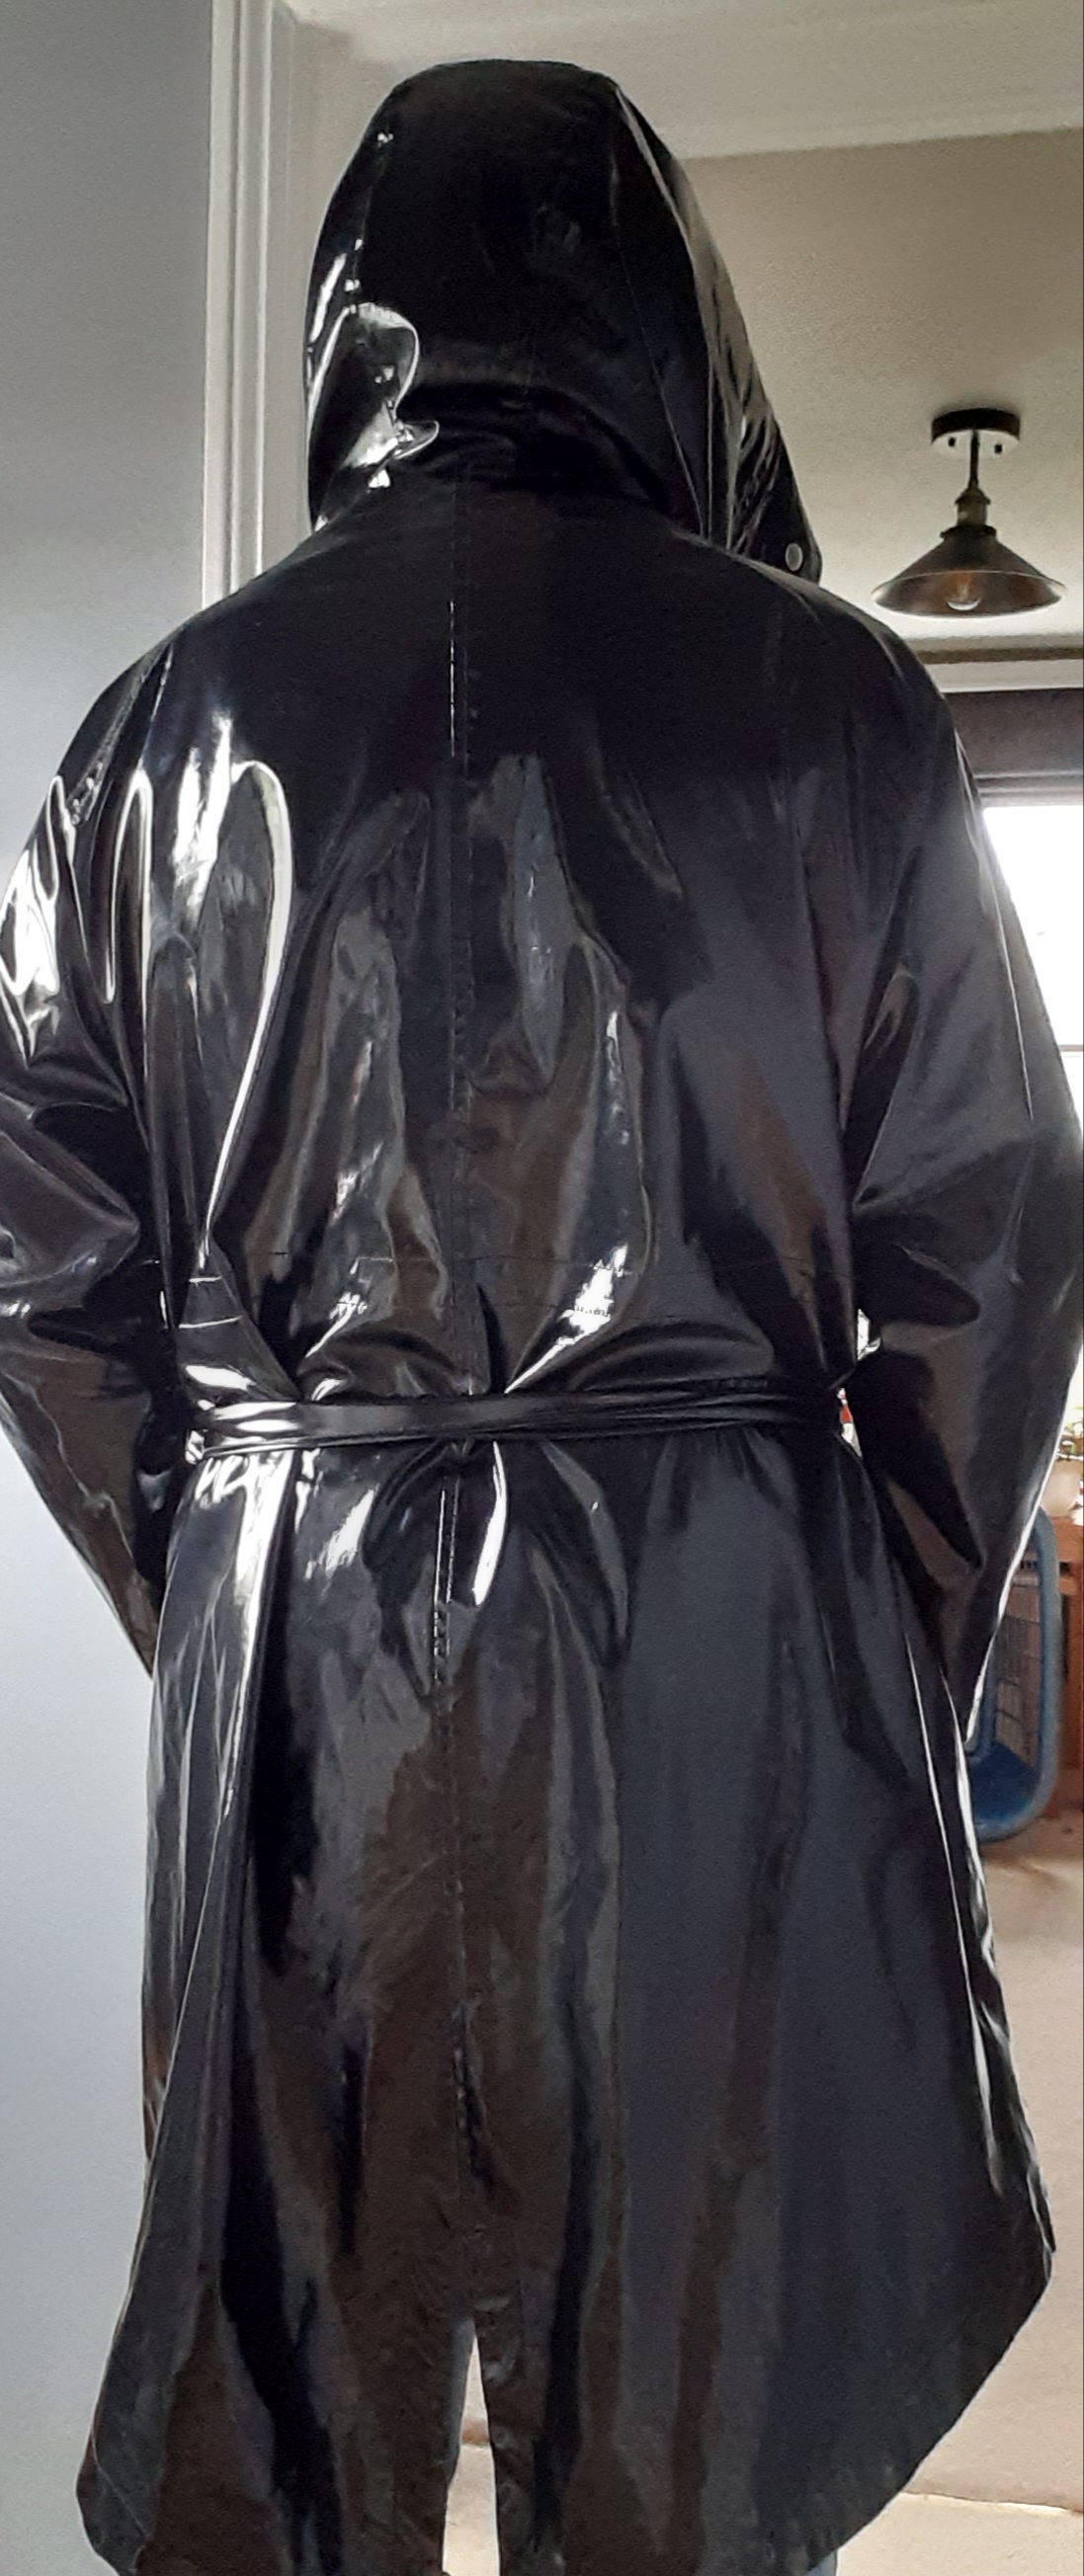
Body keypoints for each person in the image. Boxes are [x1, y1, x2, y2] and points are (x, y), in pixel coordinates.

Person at [0, 56, 1079, 2576]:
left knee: (303, 2336)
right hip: (709, 1626)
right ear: (662, 315)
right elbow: (991, 1234)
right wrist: (866, 1630)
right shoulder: (829, 700)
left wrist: (228, 1574)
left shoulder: (163, 727)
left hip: (306, 1630)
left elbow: (52, 1270)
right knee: (690, 2329)